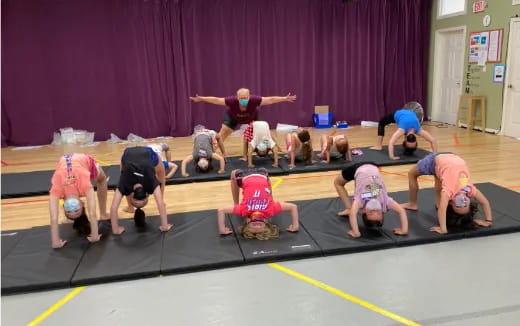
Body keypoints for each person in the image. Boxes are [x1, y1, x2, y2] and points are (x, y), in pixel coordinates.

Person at [401, 152, 493, 234]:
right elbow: (484, 202)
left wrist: (443, 229)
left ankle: (434, 202)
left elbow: (442, 209)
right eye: (465, 204)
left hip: (449, 158)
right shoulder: (468, 189)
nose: (462, 201)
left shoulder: (449, 191)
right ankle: (412, 204)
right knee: (412, 174)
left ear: (451, 202)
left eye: (459, 205)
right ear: (469, 200)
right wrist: (488, 221)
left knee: (441, 179)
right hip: (437, 159)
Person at [189, 88, 296, 155]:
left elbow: (270, 99)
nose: (243, 100)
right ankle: (211, 152)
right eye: (241, 98)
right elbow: (216, 100)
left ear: (249, 97)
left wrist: (284, 98)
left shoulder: (254, 100)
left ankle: (279, 149)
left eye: (245, 98)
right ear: (237, 97)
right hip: (233, 117)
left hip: (252, 116)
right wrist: (202, 99)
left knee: (266, 130)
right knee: (221, 135)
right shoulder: (231, 101)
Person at [217, 168, 299, 240]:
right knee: (270, 197)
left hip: (245, 175)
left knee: (233, 174)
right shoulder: (270, 210)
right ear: (265, 222)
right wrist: (295, 226)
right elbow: (293, 207)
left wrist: (222, 230)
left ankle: (235, 203)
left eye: (254, 225)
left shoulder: (244, 210)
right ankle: (267, 185)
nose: (257, 225)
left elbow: (221, 210)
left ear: (248, 221)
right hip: (262, 173)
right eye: (259, 225)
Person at [333, 162, 408, 238]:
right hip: (373, 166)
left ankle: (349, 208)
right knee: (374, 190)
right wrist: (404, 230)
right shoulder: (385, 201)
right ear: (382, 211)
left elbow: (353, 214)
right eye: (378, 212)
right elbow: (401, 211)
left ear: (364, 210)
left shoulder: (362, 199)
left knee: (337, 183)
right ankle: (350, 208)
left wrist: (356, 232)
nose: (374, 208)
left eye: (371, 212)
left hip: (358, 168)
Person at [48, 153, 107, 248]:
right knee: (102, 179)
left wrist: (56, 242)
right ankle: (103, 214)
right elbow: (92, 213)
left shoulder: (57, 189)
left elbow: (54, 218)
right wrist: (94, 236)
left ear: (63, 206)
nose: (72, 207)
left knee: (102, 179)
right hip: (85, 162)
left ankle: (103, 213)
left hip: (72, 159)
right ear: (82, 203)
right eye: (76, 210)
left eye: (69, 211)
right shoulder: (85, 186)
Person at [110, 146, 172, 234]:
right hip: (128, 153)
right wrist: (116, 229)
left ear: (147, 195)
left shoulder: (151, 184)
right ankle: (130, 207)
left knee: (161, 173)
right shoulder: (125, 184)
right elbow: (113, 208)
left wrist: (165, 226)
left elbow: (161, 205)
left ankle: (130, 207)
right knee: (160, 173)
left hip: (145, 153)